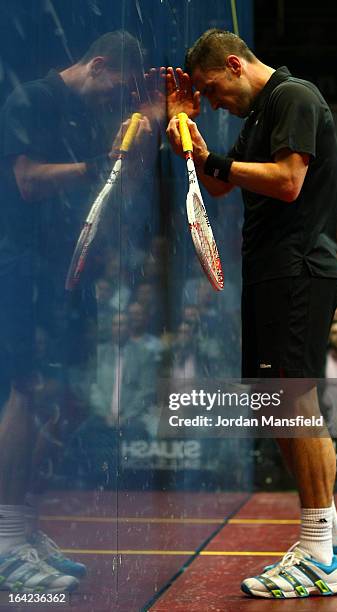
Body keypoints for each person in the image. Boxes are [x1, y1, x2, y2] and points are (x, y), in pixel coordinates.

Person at [166, 29, 337, 600]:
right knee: (279, 407)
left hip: (299, 268)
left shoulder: (294, 96)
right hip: (272, 272)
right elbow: (222, 187)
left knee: (297, 405)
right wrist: (188, 131)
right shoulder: (256, 120)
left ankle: (318, 554)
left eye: (212, 90)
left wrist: (216, 157)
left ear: (233, 64)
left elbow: (290, 182)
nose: (216, 101)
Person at [0, 30, 146, 592]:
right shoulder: (31, 100)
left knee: (57, 398)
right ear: (98, 65)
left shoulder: (85, 116)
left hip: (62, 274)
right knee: (26, 390)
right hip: (20, 270)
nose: (114, 102)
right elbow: (28, 182)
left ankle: (24, 528)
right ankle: (8, 539)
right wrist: (96, 167)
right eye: (114, 89)